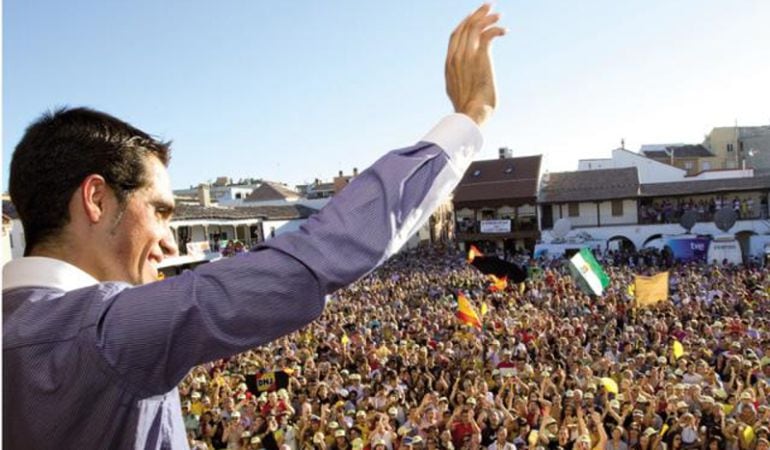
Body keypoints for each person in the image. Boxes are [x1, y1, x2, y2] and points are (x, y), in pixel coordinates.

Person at [2, 4, 506, 449]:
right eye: (159, 211)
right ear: (95, 199)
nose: (169, 241)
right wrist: (470, 117)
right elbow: (315, 258)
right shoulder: (109, 335)